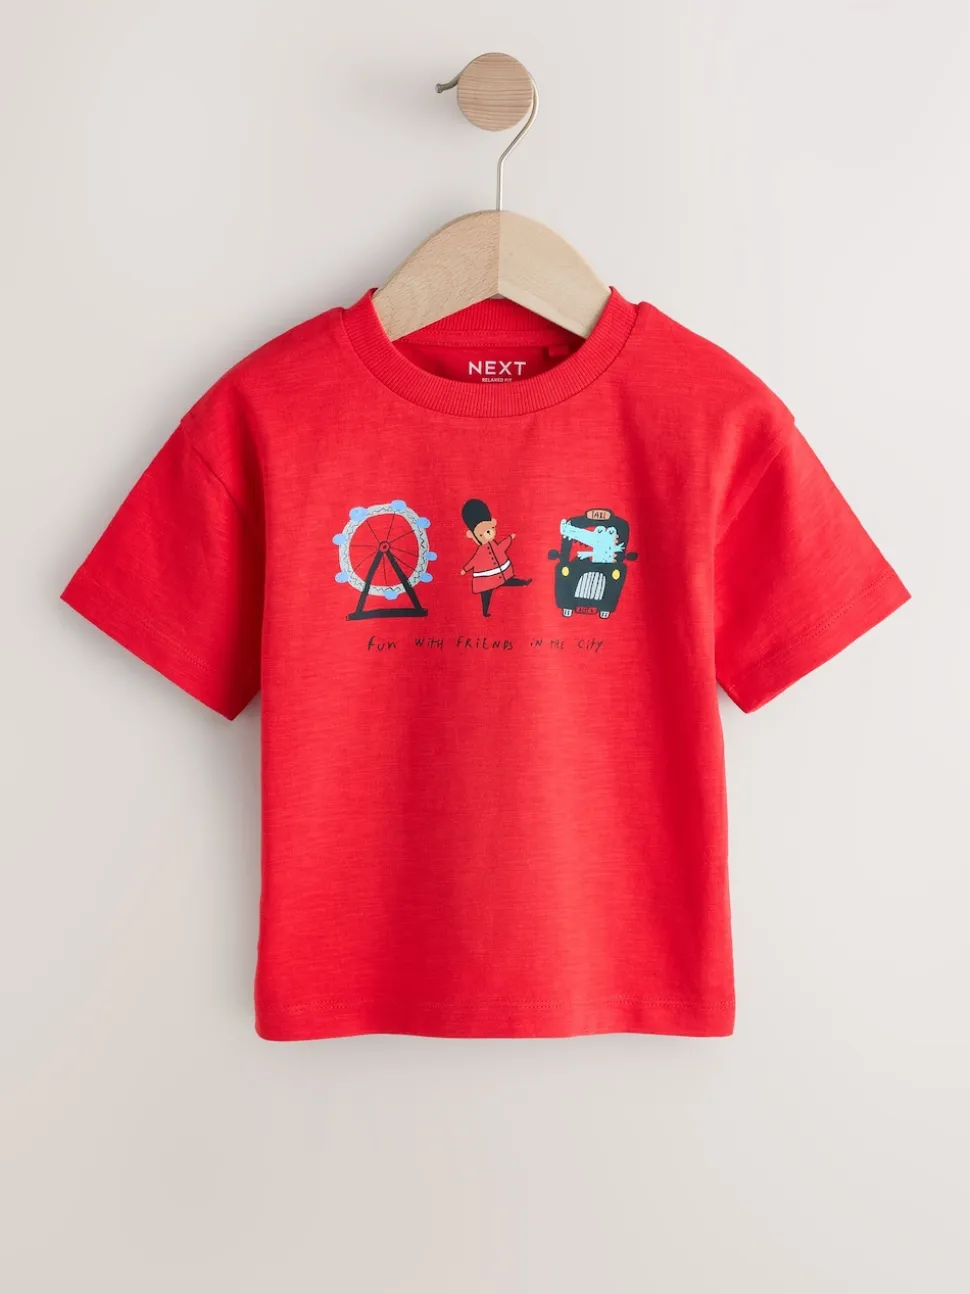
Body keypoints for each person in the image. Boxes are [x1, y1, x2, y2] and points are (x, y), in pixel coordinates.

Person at [460, 498, 532, 617]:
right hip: (486, 579)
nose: (488, 534)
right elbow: (474, 561)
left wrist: (509, 538)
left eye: (490, 529)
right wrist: (465, 569)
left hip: (499, 573)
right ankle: (484, 612)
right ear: (473, 536)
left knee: (509, 581)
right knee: (486, 594)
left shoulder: (493, 544)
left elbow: (501, 547)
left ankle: (524, 583)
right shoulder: (481, 551)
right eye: (482, 533)